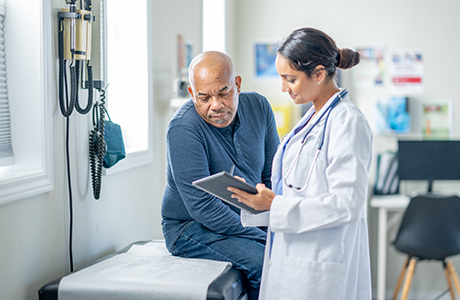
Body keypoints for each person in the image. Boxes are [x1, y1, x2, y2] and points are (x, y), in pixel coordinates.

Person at [228, 28, 373, 299]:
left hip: (321, 262)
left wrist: (275, 206)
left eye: (290, 79)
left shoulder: (347, 122)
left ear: (319, 74)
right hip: (293, 254)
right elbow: (296, 191)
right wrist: (257, 200)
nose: (283, 87)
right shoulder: (311, 118)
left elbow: (347, 204)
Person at [161, 51, 280, 300]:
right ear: (193, 95)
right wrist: (263, 236)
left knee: (288, 253)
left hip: (246, 218)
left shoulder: (259, 107)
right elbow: (203, 206)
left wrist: (276, 225)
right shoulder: (183, 128)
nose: (216, 105)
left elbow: (272, 177)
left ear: (237, 84)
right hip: (190, 227)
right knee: (265, 262)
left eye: (223, 93)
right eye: (204, 98)